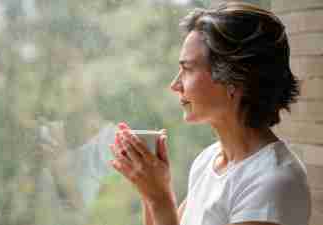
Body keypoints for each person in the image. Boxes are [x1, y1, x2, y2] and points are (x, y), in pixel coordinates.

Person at [108, 2, 311, 225]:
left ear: (233, 79)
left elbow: (164, 211)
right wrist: (150, 191)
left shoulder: (273, 183)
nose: (175, 85)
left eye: (187, 69)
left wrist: (160, 199)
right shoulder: (208, 161)